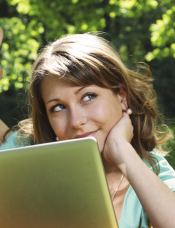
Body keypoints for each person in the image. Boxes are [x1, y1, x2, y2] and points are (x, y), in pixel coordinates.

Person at [0, 32, 175, 228]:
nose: (76, 121)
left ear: (122, 97)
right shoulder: (23, 155)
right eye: (58, 107)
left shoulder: (151, 170)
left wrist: (122, 150)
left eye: (88, 96)